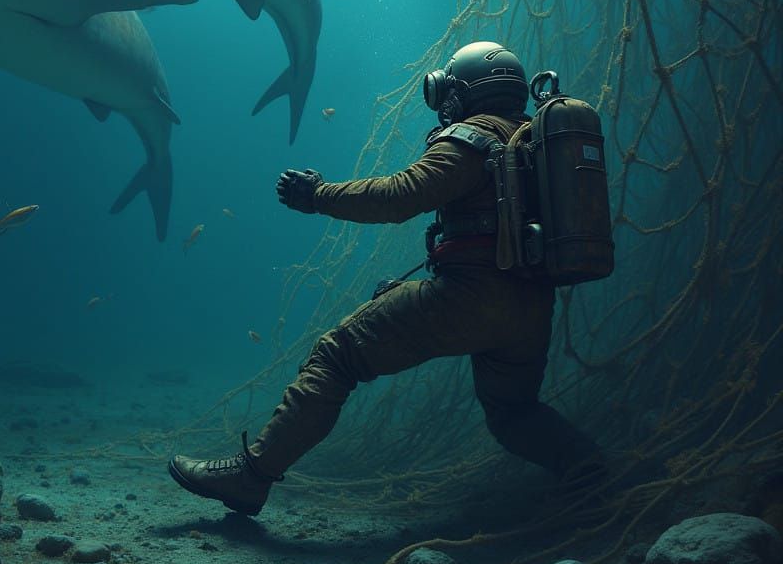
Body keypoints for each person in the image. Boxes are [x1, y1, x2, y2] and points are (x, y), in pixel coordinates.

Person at [168, 41, 604, 516]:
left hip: (469, 299)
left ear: (462, 92)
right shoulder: (533, 140)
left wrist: (319, 194)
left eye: (448, 90)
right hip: (532, 306)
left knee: (338, 356)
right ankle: (592, 475)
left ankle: (252, 477)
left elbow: (400, 196)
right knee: (514, 411)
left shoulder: (471, 139)